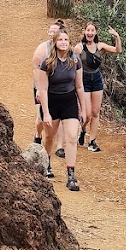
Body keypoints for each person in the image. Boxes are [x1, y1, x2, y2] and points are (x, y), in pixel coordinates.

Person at [36, 28, 88, 191]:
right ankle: (47, 165)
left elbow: (79, 86)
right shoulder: (47, 63)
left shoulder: (75, 60)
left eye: (66, 40)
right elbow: (42, 90)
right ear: (55, 43)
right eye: (60, 40)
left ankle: (71, 176)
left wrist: (83, 110)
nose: (64, 42)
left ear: (70, 42)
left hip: (69, 101)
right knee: (50, 138)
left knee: (72, 137)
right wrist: (46, 113)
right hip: (51, 102)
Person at [74, 22, 121, 153]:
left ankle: (92, 141)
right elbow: (73, 65)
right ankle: (83, 130)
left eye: (92, 30)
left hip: (97, 80)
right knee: (87, 114)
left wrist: (117, 37)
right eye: (88, 30)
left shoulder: (100, 46)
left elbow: (117, 50)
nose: (90, 33)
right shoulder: (79, 48)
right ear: (84, 32)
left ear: (95, 32)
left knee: (95, 113)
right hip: (84, 80)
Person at [31, 21, 65, 174]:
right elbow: (35, 69)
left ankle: (56, 149)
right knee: (41, 119)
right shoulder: (42, 49)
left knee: (56, 121)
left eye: (54, 32)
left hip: (56, 90)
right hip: (41, 89)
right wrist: (39, 88)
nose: (51, 34)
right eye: (50, 31)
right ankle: (37, 135)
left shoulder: (64, 49)